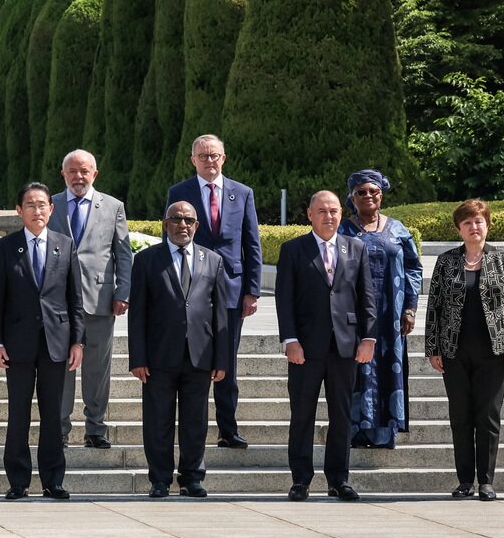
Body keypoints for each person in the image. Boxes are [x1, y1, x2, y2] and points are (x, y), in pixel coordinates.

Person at [275, 191, 377, 502]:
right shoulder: (293, 249)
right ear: (309, 214)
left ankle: (338, 479)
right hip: (306, 347)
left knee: (342, 415)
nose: (328, 216)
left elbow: (366, 297)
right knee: (302, 415)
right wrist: (290, 340)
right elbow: (284, 299)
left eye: (333, 210)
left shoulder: (355, 248)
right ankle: (301, 480)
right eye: (321, 211)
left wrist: (368, 338)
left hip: (345, 346)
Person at [425, 199, 504, 500]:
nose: (474, 227)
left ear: (487, 225)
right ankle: (464, 480)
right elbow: (434, 307)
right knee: (460, 416)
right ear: (459, 228)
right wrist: (432, 347)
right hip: (454, 350)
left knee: (488, 416)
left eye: (479, 221)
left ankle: (486, 481)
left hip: (493, 351)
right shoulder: (445, 261)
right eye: (467, 222)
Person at [164, 134, 261, 449]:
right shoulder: (179, 193)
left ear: (224, 158)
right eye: (202, 156)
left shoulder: (242, 193)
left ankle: (227, 428)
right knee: (192, 360)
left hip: (232, 290)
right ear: (193, 159)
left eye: (214, 155)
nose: (209, 161)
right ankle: (192, 430)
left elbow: (252, 244)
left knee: (226, 361)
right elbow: (171, 241)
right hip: (190, 288)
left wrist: (253, 291)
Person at [128, 201, 229, 499]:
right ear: (165, 223)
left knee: (195, 422)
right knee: (157, 421)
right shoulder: (147, 260)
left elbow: (220, 314)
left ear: (197, 226)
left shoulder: (213, 260)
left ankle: (192, 477)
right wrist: (138, 357)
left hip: (200, 354)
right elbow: (138, 315)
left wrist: (221, 358)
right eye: (176, 219)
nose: (182, 225)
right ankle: (159, 479)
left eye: (188, 220)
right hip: (159, 356)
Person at [0, 183, 84, 500]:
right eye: (30, 204)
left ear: (51, 209)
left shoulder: (64, 245)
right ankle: (18, 480)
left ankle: (52, 480)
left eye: (42, 204)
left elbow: (75, 299)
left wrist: (77, 342)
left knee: (53, 413)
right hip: (17, 343)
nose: (37, 210)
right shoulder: (6, 248)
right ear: (19, 210)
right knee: (18, 412)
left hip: (56, 341)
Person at [49, 149, 131, 449]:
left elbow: (123, 252)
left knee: (97, 368)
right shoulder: (51, 204)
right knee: (62, 367)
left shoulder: (113, 206)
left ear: (94, 173)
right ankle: (59, 428)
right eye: (72, 171)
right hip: (58, 302)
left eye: (84, 171)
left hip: (100, 299)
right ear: (63, 175)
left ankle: (96, 428)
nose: (78, 176)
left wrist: (123, 292)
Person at [337, 170, 421, 449]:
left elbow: (413, 268)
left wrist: (410, 308)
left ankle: (384, 432)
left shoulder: (397, 229)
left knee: (388, 369)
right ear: (352, 197)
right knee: (356, 372)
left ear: (381, 195)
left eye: (374, 191)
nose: (369, 196)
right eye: (362, 192)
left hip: (390, 315)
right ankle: (355, 431)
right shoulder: (343, 230)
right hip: (354, 315)